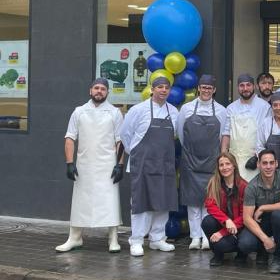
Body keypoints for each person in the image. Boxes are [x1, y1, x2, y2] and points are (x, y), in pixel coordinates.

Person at [56, 78, 124, 253]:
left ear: (108, 92)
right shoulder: (79, 112)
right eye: (96, 88)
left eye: (103, 89)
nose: (99, 91)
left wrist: (120, 165)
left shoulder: (115, 113)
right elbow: (70, 137)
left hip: (108, 164)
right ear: (90, 91)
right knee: (80, 201)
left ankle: (113, 238)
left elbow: (120, 140)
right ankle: (75, 237)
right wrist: (69, 163)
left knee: (110, 201)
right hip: (84, 163)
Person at [120, 76, 179, 256]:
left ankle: (157, 239)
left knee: (163, 202)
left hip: (165, 165)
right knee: (141, 203)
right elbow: (125, 135)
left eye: (166, 88)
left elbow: (176, 136)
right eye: (159, 87)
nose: (163, 90)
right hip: (143, 164)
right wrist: (137, 154)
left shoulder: (174, 112)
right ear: (152, 89)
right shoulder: (138, 110)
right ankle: (136, 240)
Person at [176, 74, 227, 251]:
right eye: (203, 87)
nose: (206, 91)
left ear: (214, 90)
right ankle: (194, 237)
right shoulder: (186, 109)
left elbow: (223, 138)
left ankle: (206, 236)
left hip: (211, 162)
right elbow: (181, 134)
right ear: (198, 88)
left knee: (208, 202)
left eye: (209, 88)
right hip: (190, 161)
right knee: (192, 203)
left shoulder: (221, 110)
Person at [238, 149, 280, 275]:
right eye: (264, 163)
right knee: (245, 244)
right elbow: (247, 218)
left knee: (278, 215)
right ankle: (263, 251)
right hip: (262, 223)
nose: (268, 166)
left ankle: (279, 257)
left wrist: (263, 207)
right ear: (258, 165)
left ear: (276, 164)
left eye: (271, 163)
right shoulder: (252, 186)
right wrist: (265, 239)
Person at [200, 153, 247, 266]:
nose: (225, 167)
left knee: (245, 243)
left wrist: (223, 232)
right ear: (218, 168)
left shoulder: (244, 186)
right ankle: (218, 254)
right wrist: (226, 220)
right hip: (224, 223)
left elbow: (244, 216)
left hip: (240, 228)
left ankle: (241, 253)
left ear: (234, 165)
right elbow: (210, 205)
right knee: (207, 221)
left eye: (228, 164)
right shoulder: (214, 183)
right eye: (221, 165)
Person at [221, 74, 271, 181]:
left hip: (254, 159)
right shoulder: (231, 108)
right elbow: (226, 134)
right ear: (238, 88)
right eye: (241, 86)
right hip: (234, 160)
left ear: (254, 86)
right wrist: (223, 156)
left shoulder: (264, 107)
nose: (245, 89)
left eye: (248, 85)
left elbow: (267, 136)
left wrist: (260, 157)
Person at [256, 92, 280, 164]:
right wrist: (267, 163)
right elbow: (259, 146)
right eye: (275, 105)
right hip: (268, 167)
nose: (278, 108)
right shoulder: (266, 123)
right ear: (271, 107)